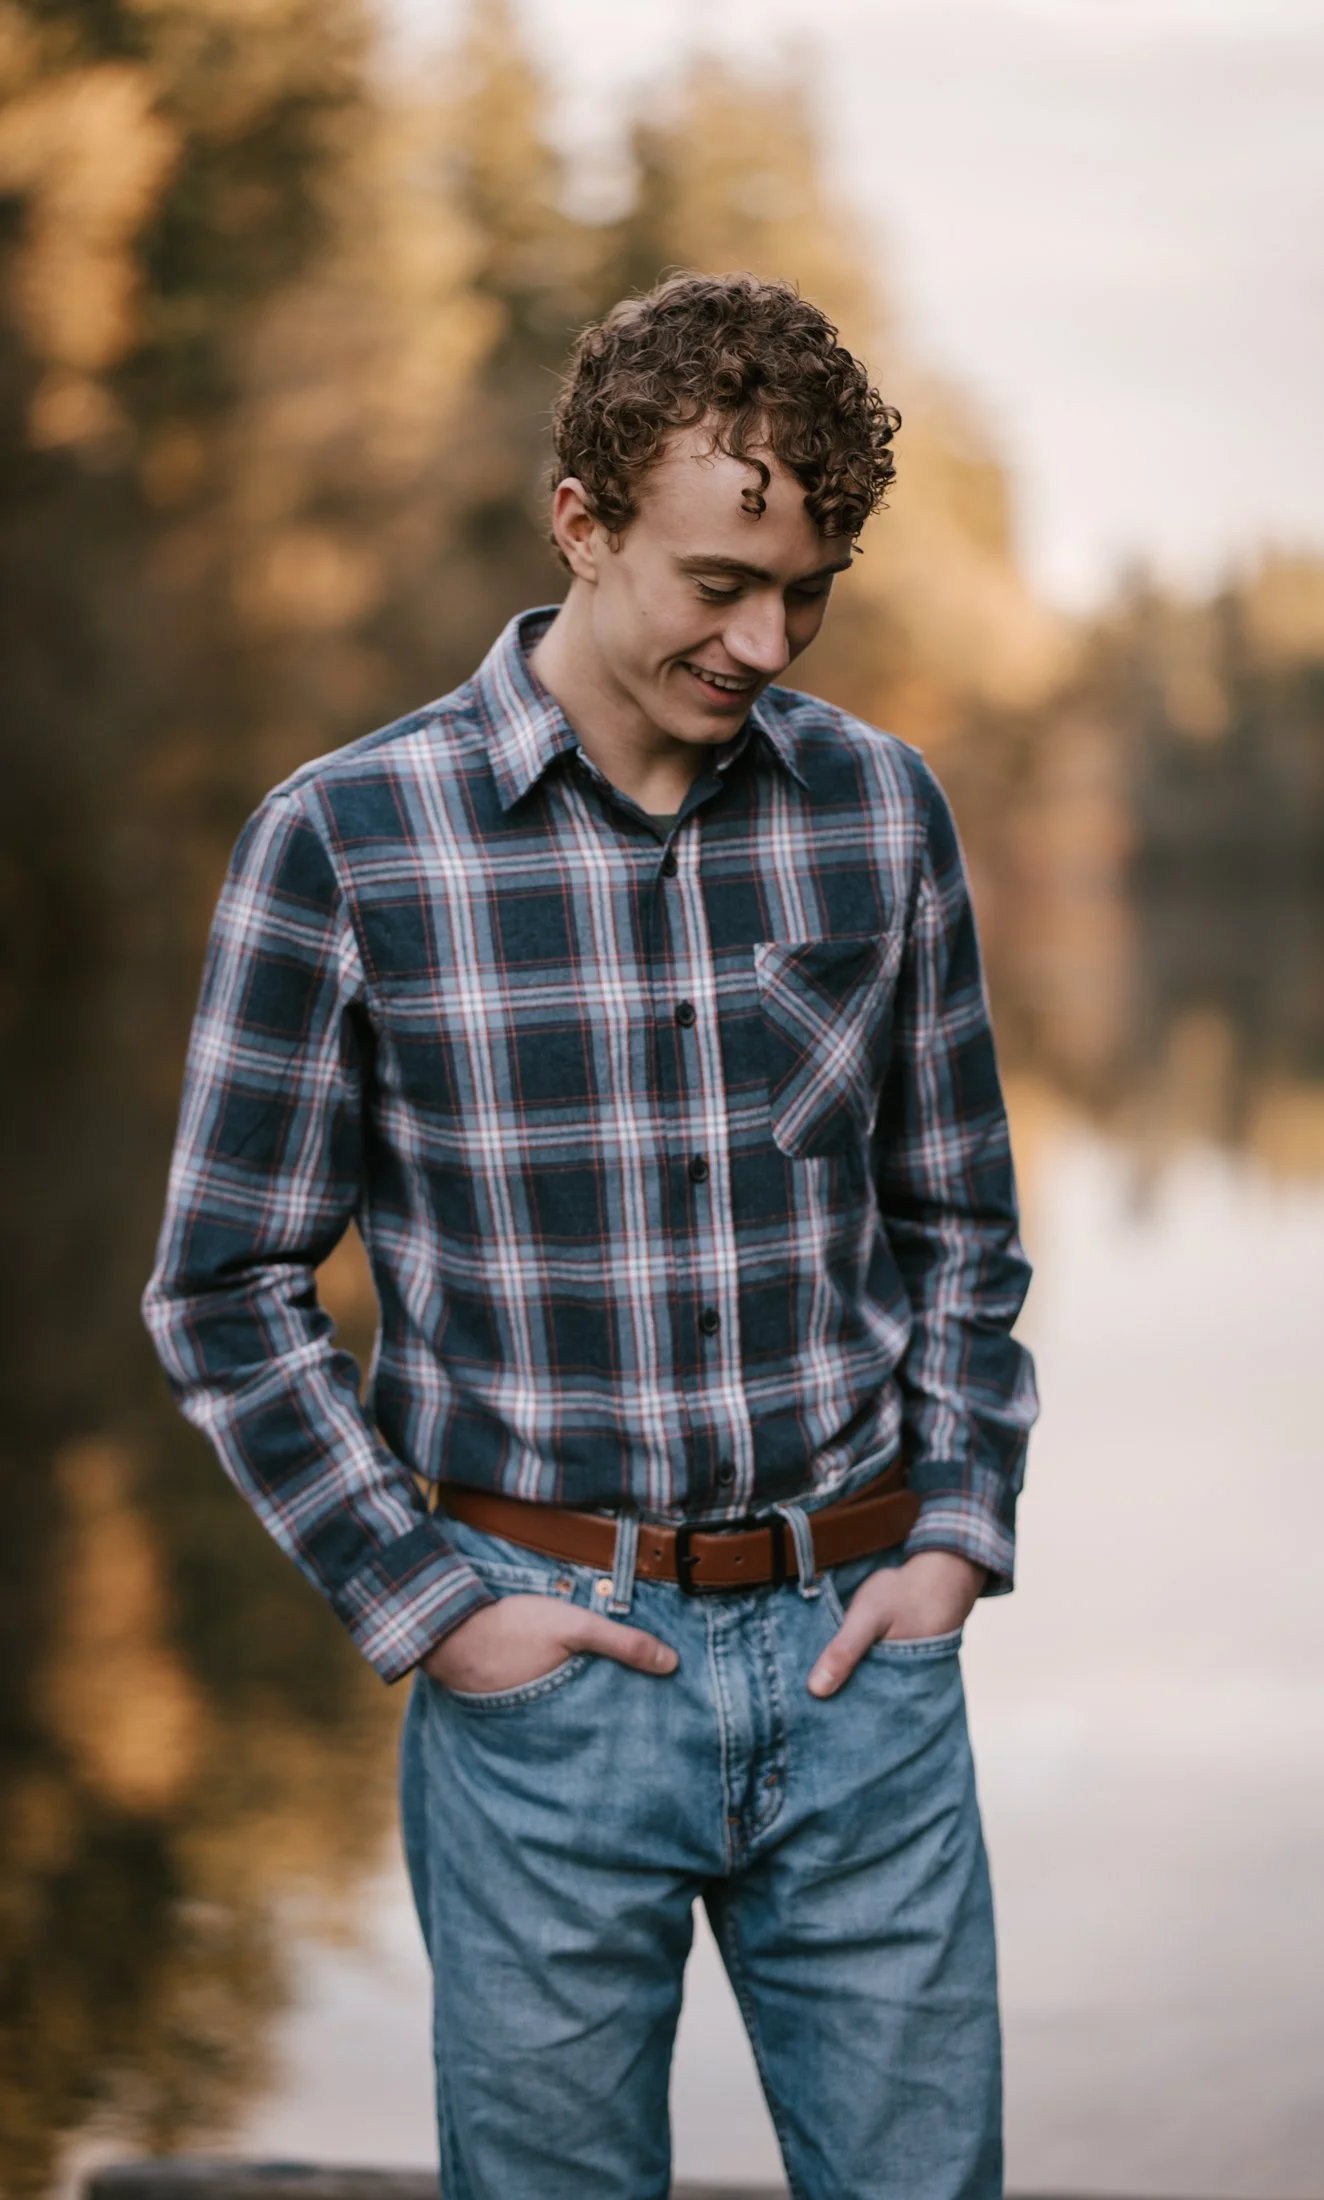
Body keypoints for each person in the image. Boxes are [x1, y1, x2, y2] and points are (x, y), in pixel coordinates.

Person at [143, 271, 1038, 2200]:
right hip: (544, 1675)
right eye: (718, 580)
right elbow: (222, 1287)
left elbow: (958, 1219)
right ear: (580, 521)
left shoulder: (877, 814)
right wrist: (433, 1609)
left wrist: (958, 1532)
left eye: (805, 592)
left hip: (859, 1668)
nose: (764, 639)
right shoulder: (347, 840)